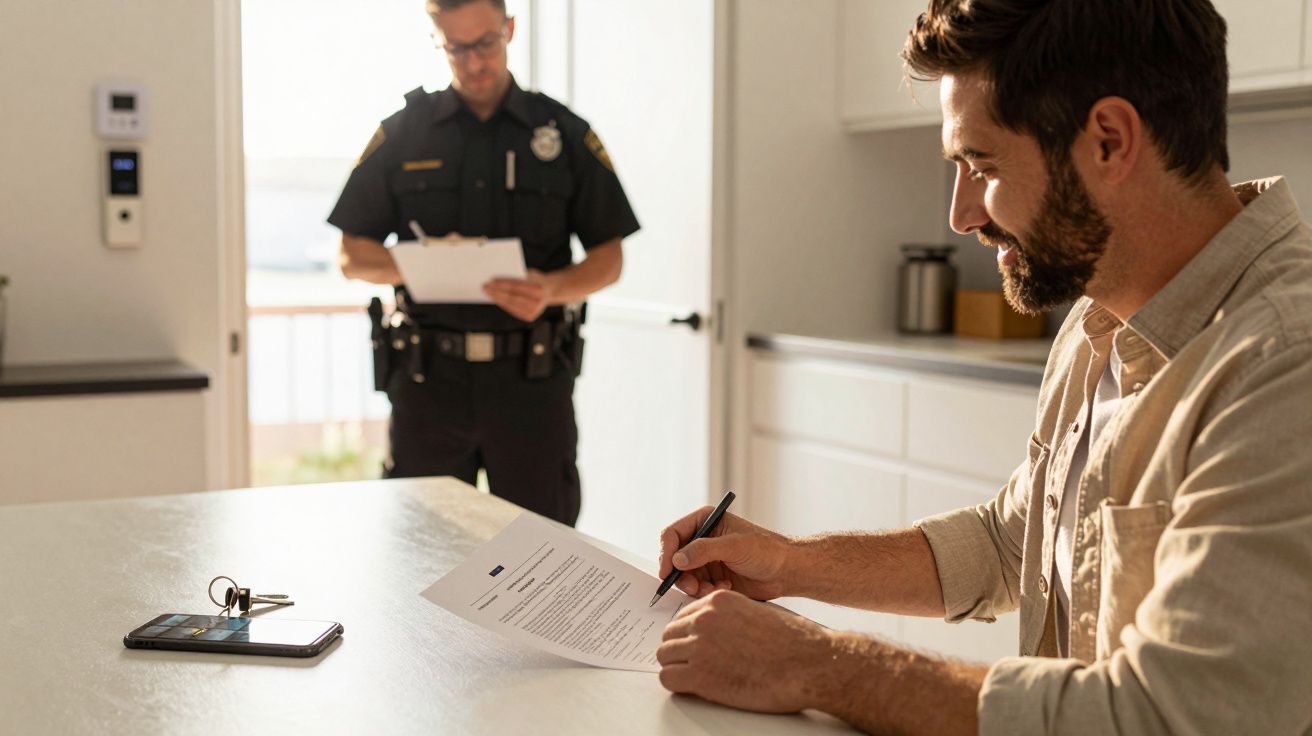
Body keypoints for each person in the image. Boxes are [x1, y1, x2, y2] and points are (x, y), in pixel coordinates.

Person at [653, 1, 1312, 733]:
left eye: (982, 165)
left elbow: (1170, 717)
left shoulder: (1285, 366)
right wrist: (788, 563)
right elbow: (1013, 539)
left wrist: (814, 663)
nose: (961, 215)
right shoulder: (1099, 316)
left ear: (1109, 140)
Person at [327, 0, 639, 526]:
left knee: (543, 562)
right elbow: (351, 256)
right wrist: (421, 263)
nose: (473, 62)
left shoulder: (561, 133)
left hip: (531, 385)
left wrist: (551, 288)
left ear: (509, 30)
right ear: (438, 42)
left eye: (486, 44)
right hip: (429, 386)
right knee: (422, 560)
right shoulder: (403, 134)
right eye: (457, 48)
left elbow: (608, 259)